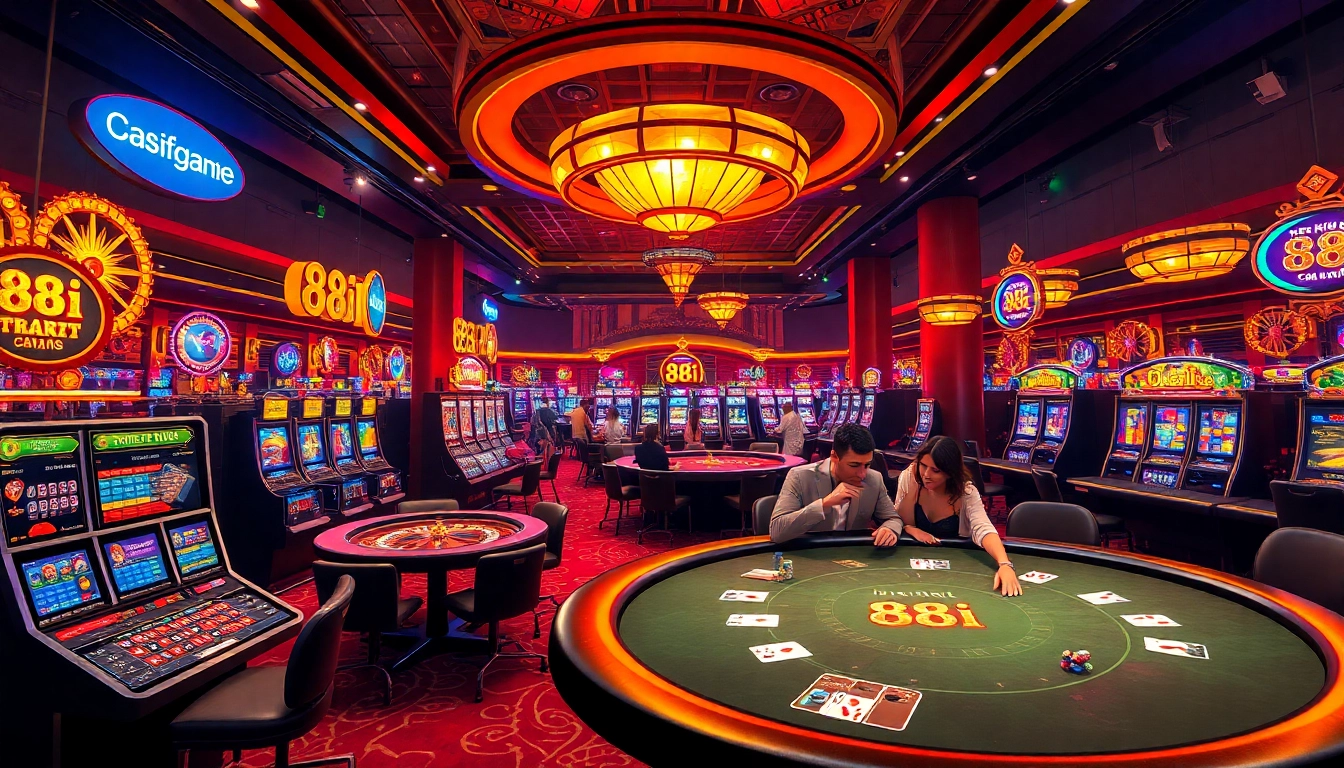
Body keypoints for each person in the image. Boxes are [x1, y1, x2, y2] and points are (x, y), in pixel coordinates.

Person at [894, 435, 1022, 597]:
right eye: (923, 465)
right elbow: (898, 519)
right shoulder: (909, 478)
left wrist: (1004, 564)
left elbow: (983, 528)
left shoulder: (966, 492)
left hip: (956, 567)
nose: (926, 474)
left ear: (950, 472)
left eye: (935, 470)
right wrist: (910, 526)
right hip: (911, 563)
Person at [770, 423, 901, 547]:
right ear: (834, 457)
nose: (862, 474)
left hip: (853, 558)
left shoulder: (874, 479)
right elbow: (777, 531)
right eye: (854, 465)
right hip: (811, 555)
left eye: (867, 465)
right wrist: (824, 504)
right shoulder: (800, 476)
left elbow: (893, 519)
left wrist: (889, 529)